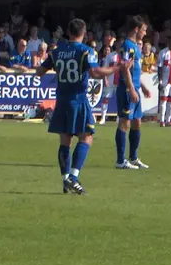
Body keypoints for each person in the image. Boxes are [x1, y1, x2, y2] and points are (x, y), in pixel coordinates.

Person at [36, 18, 119, 195]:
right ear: (84, 32)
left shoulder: (57, 52)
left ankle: (66, 180)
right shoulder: (86, 51)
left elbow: (39, 71)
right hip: (79, 99)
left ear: (68, 32)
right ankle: (73, 178)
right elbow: (95, 72)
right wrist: (115, 68)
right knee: (87, 137)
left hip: (62, 99)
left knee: (65, 141)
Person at [115, 15, 152, 170]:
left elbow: (134, 70)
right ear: (136, 29)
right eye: (143, 30)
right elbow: (125, 69)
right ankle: (120, 160)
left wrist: (141, 86)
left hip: (134, 88)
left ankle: (134, 157)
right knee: (125, 123)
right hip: (126, 89)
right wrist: (131, 89)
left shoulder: (135, 47)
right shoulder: (128, 46)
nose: (145, 33)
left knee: (137, 122)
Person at [99, 39, 122, 125]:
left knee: (120, 100)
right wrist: (105, 79)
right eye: (119, 44)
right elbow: (104, 68)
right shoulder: (110, 56)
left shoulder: (124, 56)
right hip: (110, 80)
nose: (120, 46)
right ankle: (103, 118)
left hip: (120, 81)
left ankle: (119, 118)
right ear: (116, 45)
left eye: (121, 44)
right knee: (105, 99)